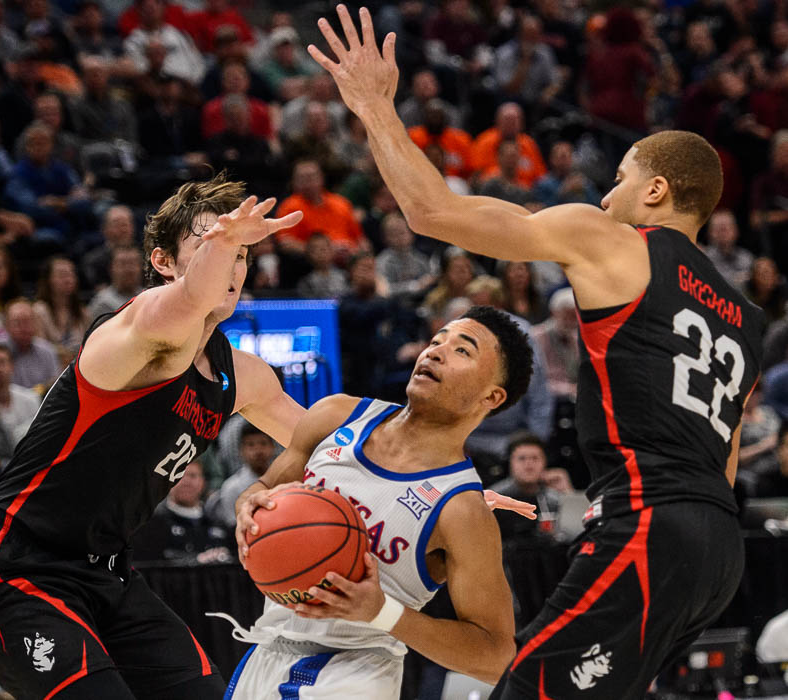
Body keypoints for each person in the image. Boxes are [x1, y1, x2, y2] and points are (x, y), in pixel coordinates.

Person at [309, 8, 765, 697]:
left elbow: (432, 213)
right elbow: (721, 460)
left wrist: (374, 106)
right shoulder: (746, 318)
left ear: (656, 190)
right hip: (718, 549)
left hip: (649, 523)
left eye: (618, 179)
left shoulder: (613, 240)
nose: (605, 195)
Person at [0, 174, 305, 698]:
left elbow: (323, 445)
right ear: (163, 263)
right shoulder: (137, 327)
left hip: (107, 572)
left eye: (241, 254)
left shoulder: (242, 377)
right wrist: (225, 240)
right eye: (210, 247)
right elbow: (186, 302)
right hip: (17, 565)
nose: (231, 265)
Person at [229, 305, 537, 699]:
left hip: (355, 672)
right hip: (266, 649)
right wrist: (248, 507)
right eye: (436, 340)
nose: (435, 352)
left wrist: (383, 612)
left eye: (463, 351)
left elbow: (496, 656)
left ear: (491, 396)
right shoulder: (336, 416)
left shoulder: (461, 509)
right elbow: (264, 487)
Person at [132, 460, 233, 564]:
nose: (186, 481)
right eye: (179, 475)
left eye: (192, 476)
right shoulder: (150, 527)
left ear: (203, 482)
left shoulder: (220, 527)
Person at [488, 431, 573, 543]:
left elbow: (574, 534)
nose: (528, 465)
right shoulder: (494, 499)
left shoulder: (553, 498)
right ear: (509, 463)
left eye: (535, 458)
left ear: (545, 463)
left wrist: (568, 495)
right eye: (522, 459)